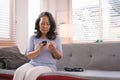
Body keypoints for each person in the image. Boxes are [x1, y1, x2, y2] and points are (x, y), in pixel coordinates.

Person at [13, 11, 63, 80]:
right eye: (42, 23)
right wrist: (39, 50)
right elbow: (28, 56)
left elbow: (59, 57)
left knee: (31, 73)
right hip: (33, 64)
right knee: (19, 71)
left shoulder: (56, 38)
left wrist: (53, 50)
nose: (45, 26)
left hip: (48, 66)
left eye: (47, 24)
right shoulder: (33, 38)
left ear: (51, 25)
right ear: (38, 24)